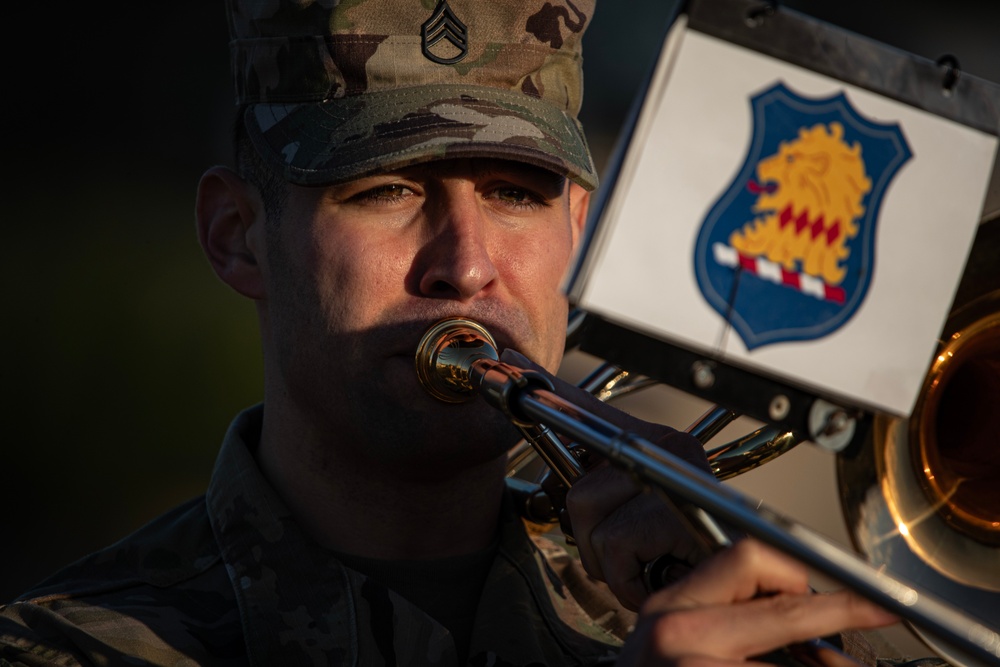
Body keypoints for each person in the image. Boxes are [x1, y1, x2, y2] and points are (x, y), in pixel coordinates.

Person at [0, 1, 899, 665]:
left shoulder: (704, 602)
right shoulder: (65, 648)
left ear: (579, 231)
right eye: (385, 190)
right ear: (238, 237)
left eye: (515, 193)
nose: (466, 266)